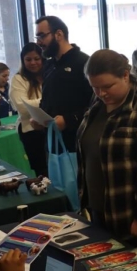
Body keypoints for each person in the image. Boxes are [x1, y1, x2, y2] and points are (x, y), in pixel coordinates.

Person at [77, 49, 137, 257]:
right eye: (95, 87)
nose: (101, 93)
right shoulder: (99, 102)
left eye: (107, 86)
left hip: (132, 218)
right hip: (100, 211)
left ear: (125, 75)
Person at [31, 16, 93, 152]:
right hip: (53, 142)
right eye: (37, 38)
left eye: (42, 36)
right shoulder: (48, 65)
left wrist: (69, 120)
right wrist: (40, 119)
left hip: (79, 143)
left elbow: (96, 105)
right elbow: (47, 99)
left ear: (59, 34)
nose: (39, 42)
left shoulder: (84, 63)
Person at [10, 43, 48, 177]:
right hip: (30, 131)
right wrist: (47, 101)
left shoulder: (49, 74)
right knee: (41, 170)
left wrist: (36, 103)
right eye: (28, 59)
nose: (33, 63)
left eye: (36, 58)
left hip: (51, 128)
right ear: (23, 60)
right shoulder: (18, 79)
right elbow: (22, 107)